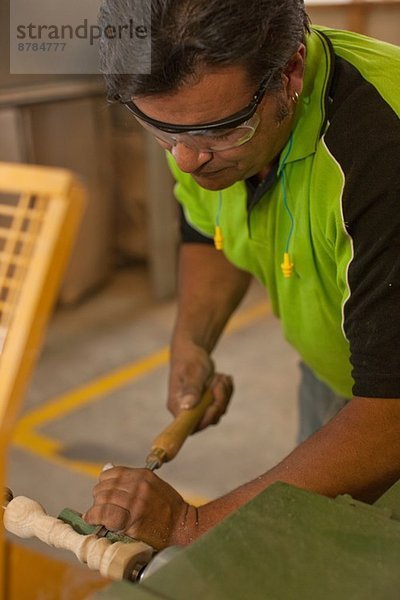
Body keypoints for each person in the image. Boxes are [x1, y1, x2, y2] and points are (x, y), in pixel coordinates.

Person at [84, 0, 400, 550]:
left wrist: (192, 525)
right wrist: (191, 343)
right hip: (344, 377)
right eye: (158, 129)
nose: (184, 160)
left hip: (385, 406)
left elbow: (391, 414)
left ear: (291, 72)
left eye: (215, 132)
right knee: (325, 540)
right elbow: (209, 228)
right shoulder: (195, 119)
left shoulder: (383, 154)